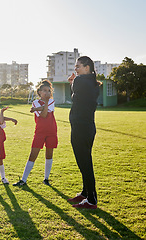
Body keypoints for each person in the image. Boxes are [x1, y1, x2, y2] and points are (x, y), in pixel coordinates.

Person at [67, 56, 101, 209]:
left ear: (87, 67)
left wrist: (73, 82)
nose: (76, 68)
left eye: (78, 66)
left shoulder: (80, 81)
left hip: (81, 128)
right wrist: (72, 84)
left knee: (84, 163)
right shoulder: (93, 83)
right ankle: (85, 193)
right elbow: (76, 97)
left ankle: (91, 199)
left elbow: (74, 95)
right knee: (84, 160)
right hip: (87, 127)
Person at [13, 80, 57, 187]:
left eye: (49, 91)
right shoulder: (35, 102)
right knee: (33, 155)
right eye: (44, 91)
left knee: (49, 154)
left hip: (51, 131)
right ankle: (23, 180)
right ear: (39, 92)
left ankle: (46, 178)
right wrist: (40, 106)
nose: (47, 93)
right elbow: (43, 115)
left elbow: (45, 111)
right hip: (40, 132)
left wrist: (38, 108)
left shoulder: (51, 101)